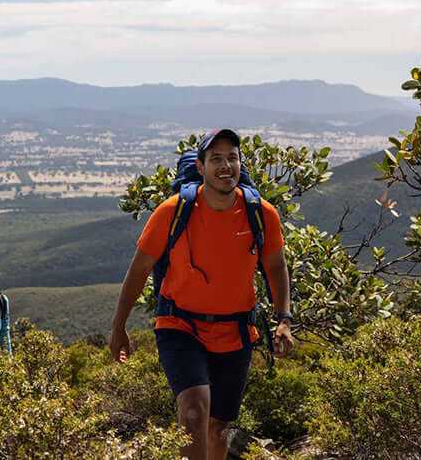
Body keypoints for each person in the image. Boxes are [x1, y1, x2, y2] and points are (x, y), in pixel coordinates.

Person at [109, 129, 294, 460]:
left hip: (235, 331)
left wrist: (284, 319)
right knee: (194, 411)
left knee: (219, 426)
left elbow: (276, 268)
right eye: (216, 159)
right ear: (201, 166)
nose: (226, 166)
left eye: (232, 158)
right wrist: (118, 326)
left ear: (241, 162)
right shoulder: (172, 212)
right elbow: (138, 271)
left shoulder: (261, 214)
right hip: (180, 324)